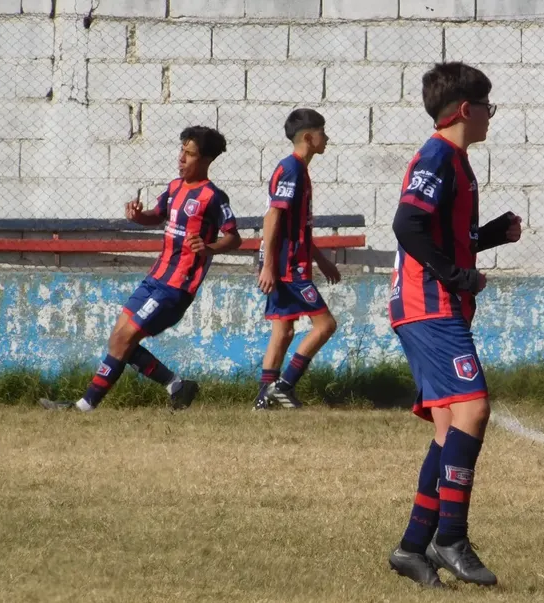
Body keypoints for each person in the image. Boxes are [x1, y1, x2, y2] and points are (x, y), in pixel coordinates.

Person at [386, 62, 522, 589]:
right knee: (474, 409)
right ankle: (451, 535)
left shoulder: (456, 161)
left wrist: (488, 236)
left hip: (431, 304)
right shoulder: (438, 156)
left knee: (448, 430)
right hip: (430, 306)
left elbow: (440, 233)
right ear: (466, 109)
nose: (491, 116)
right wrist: (454, 275)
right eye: (488, 106)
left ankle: (412, 547)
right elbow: (407, 224)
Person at [41, 127, 239, 412]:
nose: (181, 158)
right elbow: (156, 216)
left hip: (177, 287)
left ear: (206, 160)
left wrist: (209, 248)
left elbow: (234, 237)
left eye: (190, 154)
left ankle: (83, 406)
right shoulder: (174, 187)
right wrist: (137, 215)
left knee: (123, 340)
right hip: (155, 277)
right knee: (118, 339)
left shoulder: (213, 197)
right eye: (181, 150)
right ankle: (177, 386)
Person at [255, 109, 341, 410]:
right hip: (288, 268)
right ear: (308, 137)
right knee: (326, 325)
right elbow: (273, 216)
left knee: (284, 331)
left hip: (289, 264)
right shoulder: (291, 169)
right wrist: (269, 265)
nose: (326, 137)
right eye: (322, 131)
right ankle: (284, 385)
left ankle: (262, 400)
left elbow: (297, 226)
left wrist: (321, 260)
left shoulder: (298, 170)